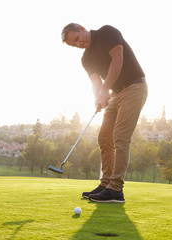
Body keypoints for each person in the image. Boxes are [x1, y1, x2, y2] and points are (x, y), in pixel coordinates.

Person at [61, 23, 148, 203]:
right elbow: (96, 82)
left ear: (82, 28)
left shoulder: (106, 32)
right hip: (115, 94)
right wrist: (99, 97)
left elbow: (118, 59)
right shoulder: (85, 59)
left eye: (77, 39)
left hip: (134, 87)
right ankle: (106, 183)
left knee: (120, 137)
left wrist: (104, 90)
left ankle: (116, 189)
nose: (78, 44)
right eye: (73, 44)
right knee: (104, 137)